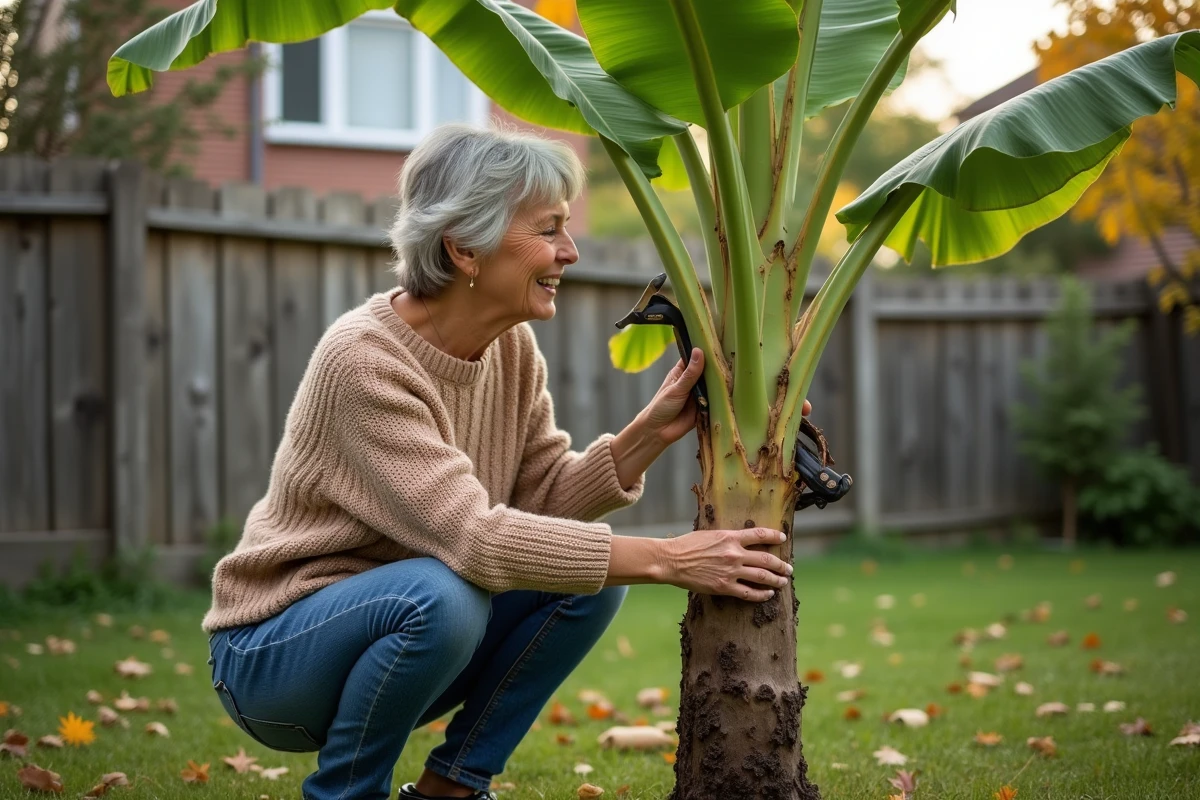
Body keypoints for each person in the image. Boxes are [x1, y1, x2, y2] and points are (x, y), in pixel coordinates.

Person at [204, 123, 805, 800]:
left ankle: (454, 788)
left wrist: (646, 435)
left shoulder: (511, 350)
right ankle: (347, 793)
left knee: (586, 578)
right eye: (549, 229)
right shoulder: (364, 361)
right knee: (445, 594)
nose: (570, 251)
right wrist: (671, 559)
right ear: (464, 247)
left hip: (408, 639)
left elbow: (541, 504)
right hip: (274, 656)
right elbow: (478, 540)